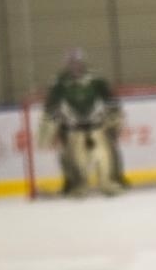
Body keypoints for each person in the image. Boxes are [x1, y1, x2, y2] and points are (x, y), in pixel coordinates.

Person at [40, 48, 125, 196]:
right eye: (71, 63)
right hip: (73, 130)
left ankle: (108, 182)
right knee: (74, 160)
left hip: (97, 127)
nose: (75, 65)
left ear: (82, 62)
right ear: (67, 64)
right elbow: (50, 107)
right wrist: (48, 126)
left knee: (105, 157)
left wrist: (115, 118)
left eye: (77, 62)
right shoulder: (59, 83)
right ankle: (78, 185)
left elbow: (111, 101)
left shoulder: (96, 80)